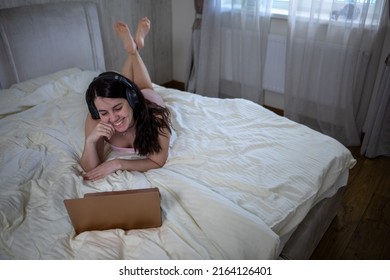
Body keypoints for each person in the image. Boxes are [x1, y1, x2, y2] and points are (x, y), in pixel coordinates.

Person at [81, 17, 171, 181]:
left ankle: (133, 50)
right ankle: (133, 49)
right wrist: (90, 141)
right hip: (127, 98)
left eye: (117, 108)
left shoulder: (155, 116)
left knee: (146, 89)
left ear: (132, 100)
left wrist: (118, 163)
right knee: (122, 84)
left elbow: (157, 161)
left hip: (147, 100)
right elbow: (90, 168)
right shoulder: (96, 119)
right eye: (104, 112)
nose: (113, 118)